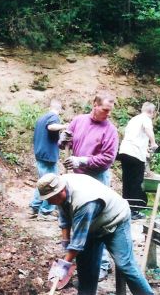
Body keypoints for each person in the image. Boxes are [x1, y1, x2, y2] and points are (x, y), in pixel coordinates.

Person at [38, 173, 154, 295]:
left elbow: (78, 243)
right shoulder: (60, 186)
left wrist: (63, 266)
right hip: (91, 224)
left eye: (50, 199)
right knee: (86, 267)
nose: (49, 202)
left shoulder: (84, 201)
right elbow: (64, 214)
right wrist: (65, 240)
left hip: (115, 219)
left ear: (61, 191)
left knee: (125, 265)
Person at [59, 92, 118, 280]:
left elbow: (107, 159)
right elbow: (64, 144)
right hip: (77, 179)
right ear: (94, 104)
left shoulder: (110, 130)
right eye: (105, 110)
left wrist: (81, 161)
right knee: (79, 222)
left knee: (97, 225)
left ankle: (102, 264)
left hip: (97, 180)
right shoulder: (78, 121)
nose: (108, 114)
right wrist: (62, 140)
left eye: (110, 111)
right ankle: (82, 260)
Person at [118, 102, 158, 220]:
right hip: (135, 154)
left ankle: (126, 210)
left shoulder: (133, 120)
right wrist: (153, 143)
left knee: (127, 182)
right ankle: (133, 211)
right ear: (152, 112)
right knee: (135, 183)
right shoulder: (146, 118)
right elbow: (148, 130)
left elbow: (135, 138)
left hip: (125, 152)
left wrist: (146, 150)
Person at [29, 99, 67, 221]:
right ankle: (46, 212)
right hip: (48, 156)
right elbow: (51, 127)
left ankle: (34, 207)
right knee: (52, 184)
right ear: (59, 109)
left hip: (40, 154)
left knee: (43, 182)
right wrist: (65, 126)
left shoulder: (41, 118)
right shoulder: (53, 116)